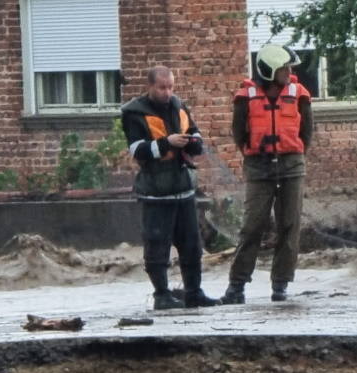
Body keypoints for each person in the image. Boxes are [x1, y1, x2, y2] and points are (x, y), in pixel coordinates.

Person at [122, 66, 220, 309]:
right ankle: (162, 295)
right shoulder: (135, 113)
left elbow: (195, 134)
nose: (167, 93)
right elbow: (136, 150)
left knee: (192, 245)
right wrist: (167, 143)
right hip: (156, 192)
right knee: (157, 245)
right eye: (162, 88)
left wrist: (194, 142)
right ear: (150, 86)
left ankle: (194, 292)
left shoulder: (179, 106)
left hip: (184, 189)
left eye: (171, 87)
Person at [223, 44, 314, 304]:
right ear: (270, 70)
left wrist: (293, 155)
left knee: (289, 225)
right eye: (284, 68)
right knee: (251, 226)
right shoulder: (245, 97)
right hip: (258, 167)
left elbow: (306, 133)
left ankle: (281, 284)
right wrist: (255, 154)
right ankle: (237, 285)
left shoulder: (299, 95)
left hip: (291, 167)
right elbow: (239, 134)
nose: (289, 72)